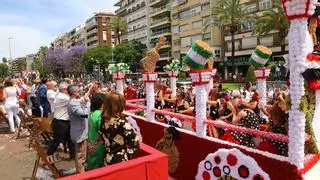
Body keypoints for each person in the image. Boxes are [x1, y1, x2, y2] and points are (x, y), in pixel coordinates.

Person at [100, 92, 139, 165]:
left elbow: (102, 135)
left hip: (107, 157)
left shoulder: (103, 119)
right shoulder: (122, 122)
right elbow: (134, 142)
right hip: (121, 160)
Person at [47, 82, 75, 161]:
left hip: (63, 121)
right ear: (64, 89)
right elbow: (75, 101)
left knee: (70, 139)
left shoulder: (59, 95)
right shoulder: (63, 97)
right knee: (57, 141)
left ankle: (73, 155)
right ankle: (48, 155)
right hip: (61, 122)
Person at [68, 84, 91, 173]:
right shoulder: (73, 103)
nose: (79, 92)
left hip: (78, 132)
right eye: (77, 91)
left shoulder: (74, 101)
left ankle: (80, 172)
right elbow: (84, 113)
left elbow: (81, 100)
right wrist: (88, 103)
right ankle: (81, 175)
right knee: (81, 156)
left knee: (80, 155)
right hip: (80, 133)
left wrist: (89, 91)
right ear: (73, 93)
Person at [87, 93, 105, 170]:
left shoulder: (91, 113)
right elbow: (103, 130)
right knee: (98, 167)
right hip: (98, 145)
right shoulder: (99, 115)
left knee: (92, 165)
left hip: (91, 142)